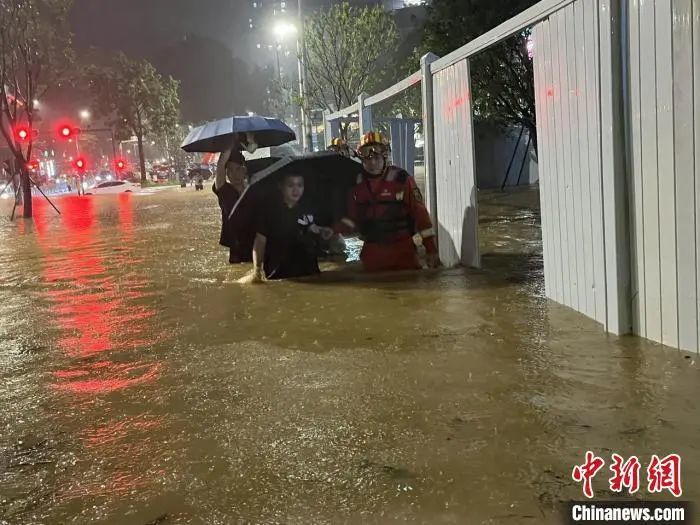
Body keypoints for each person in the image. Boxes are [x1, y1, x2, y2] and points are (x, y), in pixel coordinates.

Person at [330, 131, 441, 272]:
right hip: (372, 255)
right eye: (367, 157)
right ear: (361, 158)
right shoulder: (356, 185)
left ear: (385, 155)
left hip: (404, 253)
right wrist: (332, 230)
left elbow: (421, 215)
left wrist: (431, 250)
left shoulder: (401, 180)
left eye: (376, 156)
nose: (372, 162)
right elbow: (352, 220)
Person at [251, 173, 333, 282]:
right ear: (281, 186)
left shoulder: (307, 209)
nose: (296, 190)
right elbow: (260, 241)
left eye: (300, 185)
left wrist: (322, 230)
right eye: (290, 185)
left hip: (309, 272)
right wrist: (257, 269)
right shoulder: (269, 212)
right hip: (279, 273)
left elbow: (307, 228)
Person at [213, 145, 251, 263]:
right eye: (229, 170)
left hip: (253, 242)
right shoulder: (225, 191)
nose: (234, 174)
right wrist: (228, 145)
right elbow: (220, 166)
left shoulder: (252, 190)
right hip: (235, 246)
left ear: (245, 170)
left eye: (238, 169)